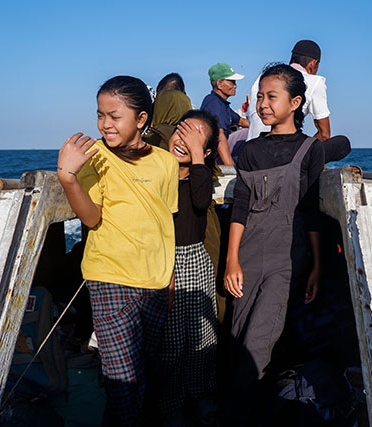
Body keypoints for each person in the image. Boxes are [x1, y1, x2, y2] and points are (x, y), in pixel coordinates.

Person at [57, 75, 179, 426]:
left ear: (141, 119)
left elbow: (163, 225)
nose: (105, 124)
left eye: (114, 116)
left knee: (145, 369)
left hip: (155, 281)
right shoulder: (95, 157)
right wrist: (68, 178)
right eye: (100, 115)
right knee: (121, 376)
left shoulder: (165, 163)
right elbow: (91, 218)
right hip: (108, 276)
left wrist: (169, 279)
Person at [223, 64, 324, 422]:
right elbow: (240, 208)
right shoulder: (250, 152)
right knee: (236, 340)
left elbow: (311, 211)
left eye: (271, 96)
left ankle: (244, 416)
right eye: (260, 96)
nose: (262, 104)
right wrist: (231, 260)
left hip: (288, 260)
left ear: (295, 102)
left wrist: (316, 264)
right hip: (248, 256)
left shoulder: (310, 150)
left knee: (259, 343)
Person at [160, 109, 220, 422]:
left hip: (194, 259)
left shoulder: (200, 178)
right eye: (182, 131)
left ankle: (198, 395)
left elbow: (199, 201)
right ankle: (170, 403)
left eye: (196, 138)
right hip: (163, 261)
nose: (184, 140)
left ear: (206, 152)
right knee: (170, 342)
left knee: (202, 336)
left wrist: (197, 157)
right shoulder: (156, 173)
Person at [247, 40, 331, 142]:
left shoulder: (264, 78)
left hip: (252, 146)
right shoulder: (315, 82)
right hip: (282, 151)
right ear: (313, 63)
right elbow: (324, 134)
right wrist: (304, 150)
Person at [200, 63, 249, 165]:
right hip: (212, 162)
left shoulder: (222, 104)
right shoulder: (214, 104)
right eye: (232, 82)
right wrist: (231, 168)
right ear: (219, 84)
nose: (235, 86)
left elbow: (240, 121)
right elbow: (220, 136)